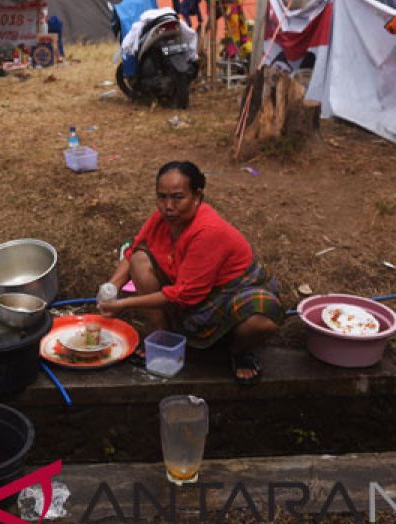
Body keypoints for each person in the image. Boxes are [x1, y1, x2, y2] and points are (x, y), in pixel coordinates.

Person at [96, 160, 284, 384]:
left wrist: (122, 305)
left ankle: (238, 351)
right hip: (188, 285)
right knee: (139, 258)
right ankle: (163, 335)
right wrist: (111, 287)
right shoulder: (162, 218)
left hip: (230, 291)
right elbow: (133, 250)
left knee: (261, 319)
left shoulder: (208, 231)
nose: (168, 206)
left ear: (197, 197)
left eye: (177, 197)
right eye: (162, 196)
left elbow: (185, 295)